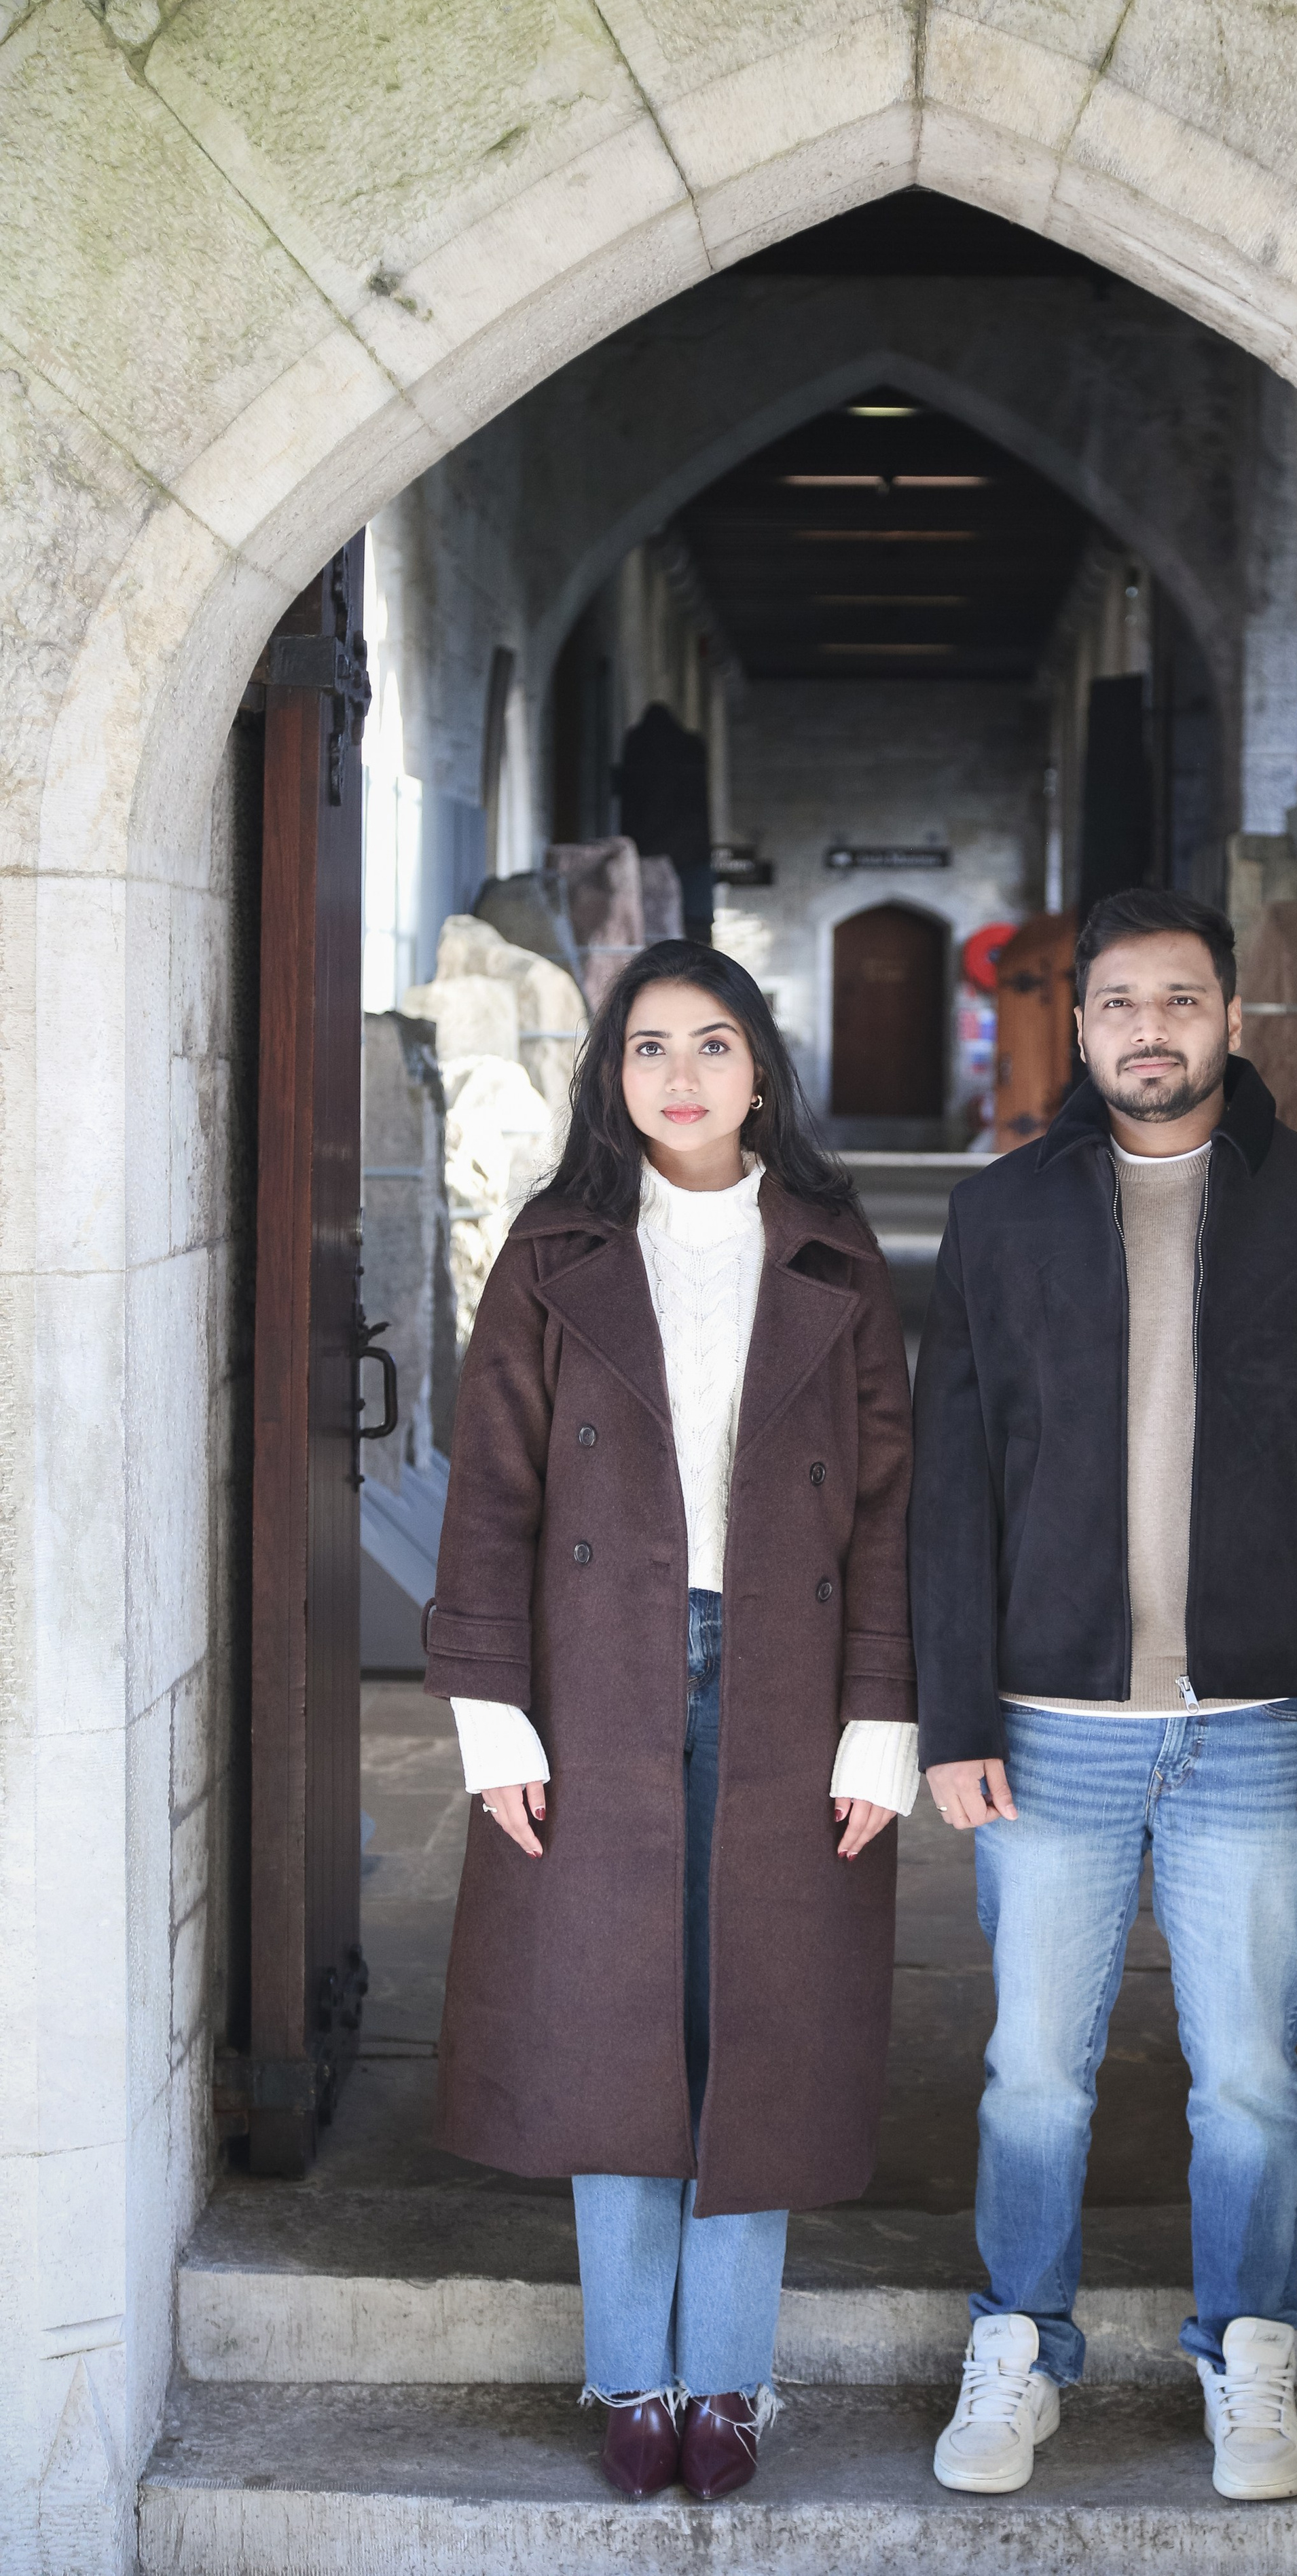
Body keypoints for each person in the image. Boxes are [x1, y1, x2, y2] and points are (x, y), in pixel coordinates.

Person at [910, 887, 1297, 2503]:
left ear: (1229, 1019)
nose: (1151, 1029)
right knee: (1029, 2074)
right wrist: (953, 1717)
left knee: (1251, 2076)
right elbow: (946, 1481)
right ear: (1082, 1028)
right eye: (1121, 1003)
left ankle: (1249, 2357)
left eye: (1181, 1000)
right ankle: (1017, 2347)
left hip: (1258, 1728)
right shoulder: (999, 1221)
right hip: (1050, 1725)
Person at [423, 938, 919, 2502]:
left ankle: (730, 2377)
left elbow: (892, 1511)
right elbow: (492, 1494)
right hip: (596, 1676)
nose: (682, 1074)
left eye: (712, 1042)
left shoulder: (834, 1254)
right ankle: (632, 2371)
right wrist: (491, 1717)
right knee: (612, 2029)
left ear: (760, 1065)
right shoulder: (554, 1251)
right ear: (611, 1073)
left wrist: (882, 1721)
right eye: (648, 1046)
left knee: (751, 2031)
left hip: (789, 1677)